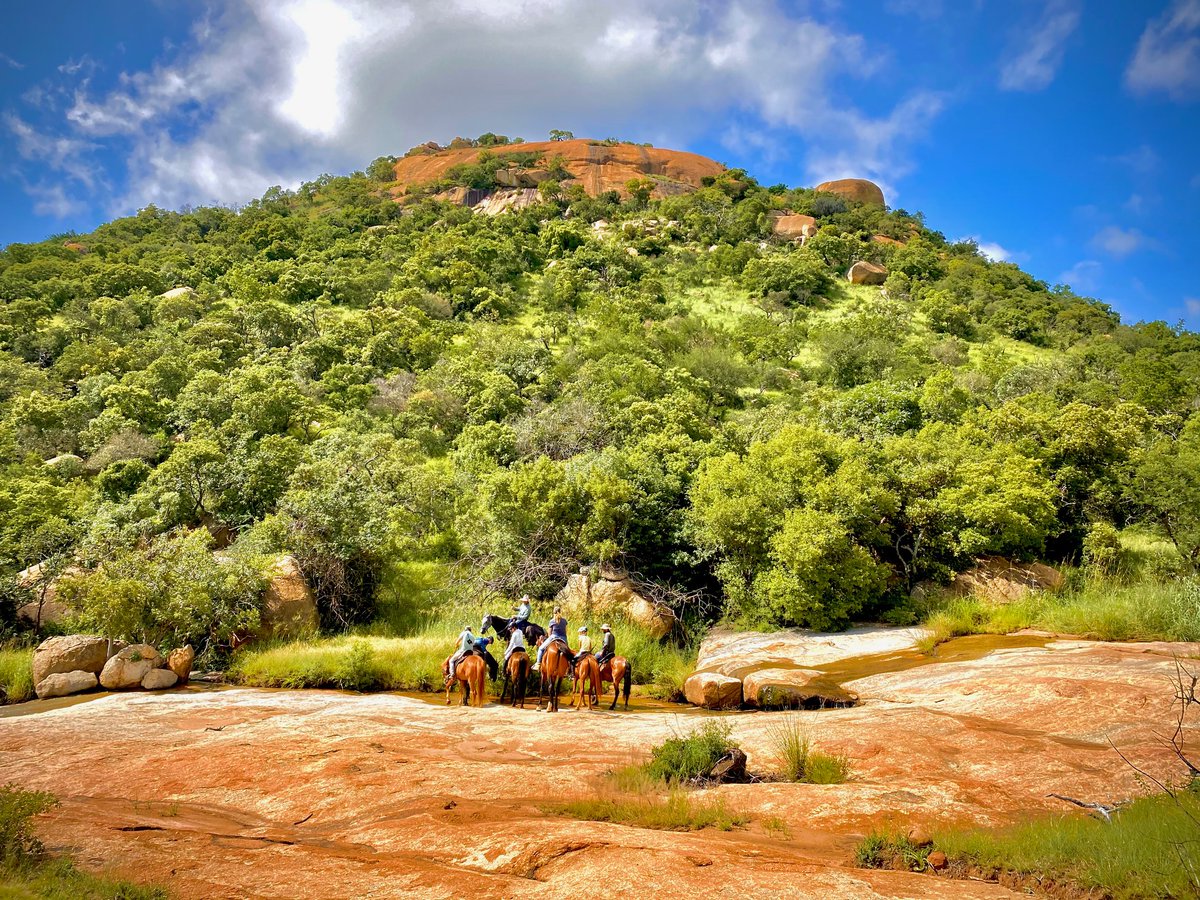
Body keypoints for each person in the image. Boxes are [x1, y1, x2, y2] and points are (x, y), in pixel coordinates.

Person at [534, 606, 570, 671]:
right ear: (560, 612)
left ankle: (538, 664)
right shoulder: (564, 621)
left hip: (554, 636)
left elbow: (549, 632)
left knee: (541, 649)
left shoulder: (552, 621)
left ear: (553, 612)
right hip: (563, 637)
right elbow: (566, 631)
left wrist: (549, 637)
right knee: (568, 653)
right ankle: (569, 669)